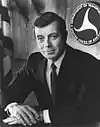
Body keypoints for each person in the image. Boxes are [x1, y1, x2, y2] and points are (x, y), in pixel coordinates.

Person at [1, 12, 100, 126]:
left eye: (53, 37)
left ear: (65, 36)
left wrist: (41, 115)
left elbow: (88, 111)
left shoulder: (88, 64)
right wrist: (13, 107)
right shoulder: (34, 62)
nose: (46, 44)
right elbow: (8, 94)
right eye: (40, 38)